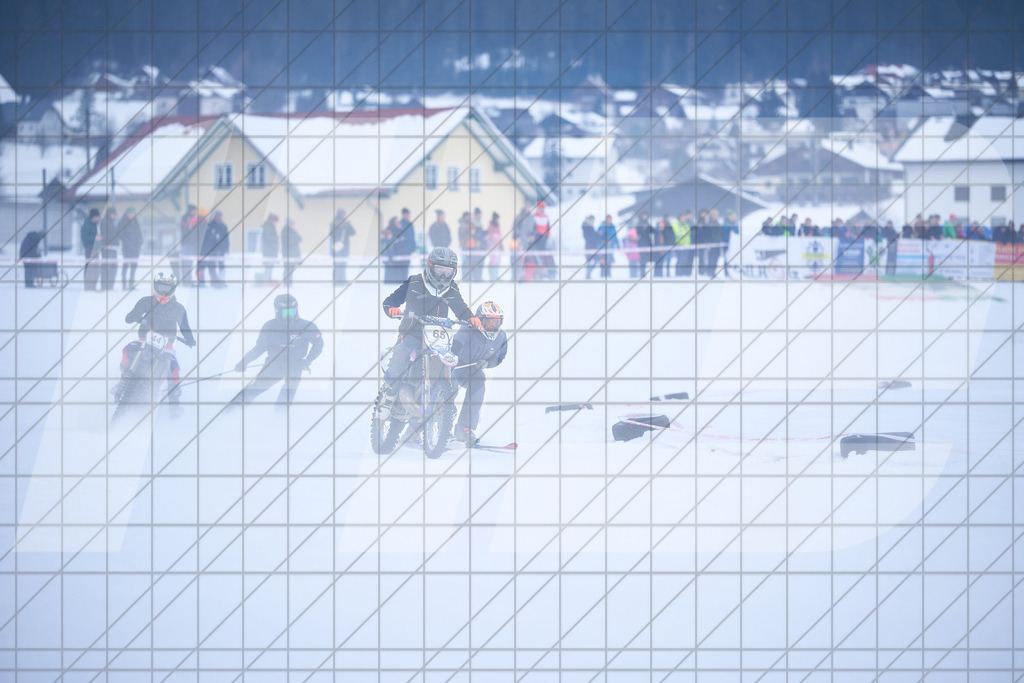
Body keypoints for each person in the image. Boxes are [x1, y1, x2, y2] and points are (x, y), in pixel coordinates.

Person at [380, 246, 481, 400]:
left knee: (449, 366)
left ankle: (447, 405)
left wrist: (471, 318)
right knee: (401, 356)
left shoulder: (451, 288)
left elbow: (461, 309)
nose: (443, 276)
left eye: (447, 272)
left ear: (454, 272)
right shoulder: (414, 282)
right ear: (430, 267)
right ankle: (388, 398)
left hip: (438, 337)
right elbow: (390, 301)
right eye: (439, 270)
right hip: (411, 333)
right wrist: (392, 309)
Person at [117, 272, 196, 412]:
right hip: (144, 339)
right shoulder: (145, 302)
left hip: (167, 344)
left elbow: (185, 327)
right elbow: (129, 317)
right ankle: (124, 376)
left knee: (174, 368)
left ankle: (174, 405)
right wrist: (137, 317)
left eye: (167, 288)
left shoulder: (178, 309)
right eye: (161, 287)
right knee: (127, 350)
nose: (164, 292)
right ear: (155, 287)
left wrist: (190, 340)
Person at [230, 294, 324, 406]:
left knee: (288, 393)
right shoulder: (270, 326)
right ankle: (232, 409)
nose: (289, 316)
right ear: (277, 311)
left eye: (292, 312)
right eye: (285, 313)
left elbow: (319, 344)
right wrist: (244, 361)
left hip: (296, 364)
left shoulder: (307, 326)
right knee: (258, 387)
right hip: (274, 363)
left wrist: (308, 360)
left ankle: (279, 415)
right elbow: (259, 348)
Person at [452, 301, 508, 445]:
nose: (492, 326)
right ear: (480, 320)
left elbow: (499, 358)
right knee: (447, 389)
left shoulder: (501, 336)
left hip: (471, 370)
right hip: (454, 367)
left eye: (495, 322)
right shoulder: (468, 328)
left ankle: (464, 428)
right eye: (489, 322)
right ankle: (420, 427)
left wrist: (487, 363)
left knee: (479, 381)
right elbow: (455, 347)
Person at [198, 209, 229, 288]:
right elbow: (208, 239)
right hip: (211, 250)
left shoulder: (223, 226)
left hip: (221, 250)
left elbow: (226, 239)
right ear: (215, 216)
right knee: (210, 266)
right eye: (217, 216)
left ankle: (221, 281)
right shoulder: (210, 226)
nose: (219, 217)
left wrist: (226, 248)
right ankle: (209, 282)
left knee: (221, 267)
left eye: (220, 216)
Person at [113, 207, 143, 289]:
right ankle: (124, 284)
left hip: (136, 248)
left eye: (133, 213)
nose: (131, 215)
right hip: (127, 248)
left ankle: (131, 284)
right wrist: (128, 243)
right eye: (130, 214)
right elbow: (121, 234)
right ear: (127, 214)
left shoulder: (136, 222)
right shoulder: (122, 222)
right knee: (126, 266)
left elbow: (139, 234)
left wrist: (140, 242)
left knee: (134, 267)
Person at [330, 208, 356, 284]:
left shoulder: (346, 224)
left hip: (344, 247)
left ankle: (342, 280)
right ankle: (337, 281)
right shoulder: (334, 223)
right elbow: (332, 235)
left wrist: (348, 225)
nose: (345, 215)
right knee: (338, 265)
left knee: (343, 264)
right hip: (338, 248)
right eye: (344, 214)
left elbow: (353, 232)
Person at [392, 208, 417, 282]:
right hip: (401, 251)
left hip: (408, 251)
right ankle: (399, 282)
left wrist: (413, 247)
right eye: (406, 214)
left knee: (406, 268)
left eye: (409, 214)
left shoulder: (410, 224)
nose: (408, 216)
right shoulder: (400, 224)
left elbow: (412, 237)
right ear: (403, 214)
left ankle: (404, 282)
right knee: (400, 268)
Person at [531, 201, 554, 279]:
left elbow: (548, 228)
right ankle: (539, 273)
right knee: (537, 256)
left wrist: (548, 236)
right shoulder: (534, 216)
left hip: (544, 239)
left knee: (545, 256)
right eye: (541, 207)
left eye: (543, 207)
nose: (542, 209)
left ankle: (548, 272)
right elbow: (532, 228)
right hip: (537, 238)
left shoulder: (546, 217)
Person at [177, 205, 199, 283]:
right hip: (186, 244)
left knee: (190, 263)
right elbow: (185, 229)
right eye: (194, 210)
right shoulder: (185, 218)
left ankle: (188, 280)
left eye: (196, 211)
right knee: (186, 263)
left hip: (192, 244)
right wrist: (191, 226)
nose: (195, 212)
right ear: (190, 211)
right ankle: (186, 281)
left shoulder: (195, 218)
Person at [281, 218, 302, 285]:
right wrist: (293, 241)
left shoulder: (294, 231)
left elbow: (299, 238)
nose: (293, 225)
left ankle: (289, 282)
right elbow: (288, 242)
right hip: (287, 253)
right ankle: (286, 282)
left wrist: (294, 241)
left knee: (291, 268)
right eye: (292, 224)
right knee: (288, 268)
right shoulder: (285, 231)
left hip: (294, 253)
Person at [673, 211, 693, 277]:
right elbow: (677, 233)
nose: (684, 219)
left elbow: (689, 234)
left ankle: (683, 273)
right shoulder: (676, 224)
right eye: (683, 217)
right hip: (679, 245)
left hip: (686, 245)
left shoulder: (686, 225)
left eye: (685, 218)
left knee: (685, 260)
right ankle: (678, 273)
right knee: (680, 260)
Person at [635, 212, 655, 277]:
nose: (645, 217)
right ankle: (642, 273)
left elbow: (652, 231)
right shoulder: (639, 224)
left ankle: (644, 273)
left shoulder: (648, 224)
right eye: (643, 216)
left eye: (645, 216)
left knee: (646, 260)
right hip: (641, 244)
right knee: (641, 260)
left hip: (647, 244)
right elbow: (638, 233)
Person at [484, 212, 504, 281]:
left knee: (497, 261)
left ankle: (495, 276)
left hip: (497, 247)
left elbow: (499, 236)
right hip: (492, 247)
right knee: (492, 262)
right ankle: (492, 277)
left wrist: (501, 245)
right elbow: (489, 237)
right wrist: (491, 244)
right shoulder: (490, 226)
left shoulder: (497, 226)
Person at [261, 213, 280, 283]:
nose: (276, 223)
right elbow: (268, 238)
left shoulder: (271, 227)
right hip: (269, 252)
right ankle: (265, 282)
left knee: (270, 267)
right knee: (268, 268)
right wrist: (276, 237)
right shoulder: (268, 227)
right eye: (276, 221)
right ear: (272, 220)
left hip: (271, 252)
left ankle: (268, 280)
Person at [720, 210, 740, 278]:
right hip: (727, 244)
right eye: (732, 216)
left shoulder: (735, 224)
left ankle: (734, 272)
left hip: (734, 245)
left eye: (734, 216)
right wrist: (728, 242)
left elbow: (737, 233)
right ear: (728, 217)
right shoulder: (725, 224)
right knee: (727, 258)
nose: (733, 217)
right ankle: (727, 272)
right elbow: (724, 235)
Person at [581, 214, 600, 279]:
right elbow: (587, 237)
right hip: (588, 247)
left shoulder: (591, 227)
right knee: (589, 262)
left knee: (595, 261)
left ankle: (588, 274)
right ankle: (588, 274)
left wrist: (598, 234)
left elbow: (594, 236)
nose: (593, 221)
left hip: (594, 246)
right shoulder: (586, 227)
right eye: (592, 220)